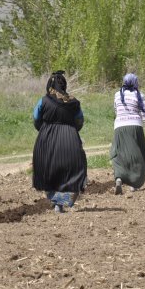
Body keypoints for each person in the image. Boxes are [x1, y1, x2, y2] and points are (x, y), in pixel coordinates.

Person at [32, 71, 87, 213]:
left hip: (46, 139)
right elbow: (80, 121)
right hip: (70, 139)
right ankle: (62, 201)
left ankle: (57, 202)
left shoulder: (43, 101)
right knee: (74, 170)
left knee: (48, 171)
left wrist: (44, 130)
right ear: (64, 85)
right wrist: (72, 132)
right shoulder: (74, 102)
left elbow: (36, 119)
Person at [110, 73, 145, 194]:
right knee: (140, 154)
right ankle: (134, 184)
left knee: (118, 154)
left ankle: (119, 178)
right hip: (135, 127)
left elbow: (116, 111)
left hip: (119, 128)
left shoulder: (117, 95)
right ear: (135, 83)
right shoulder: (139, 95)